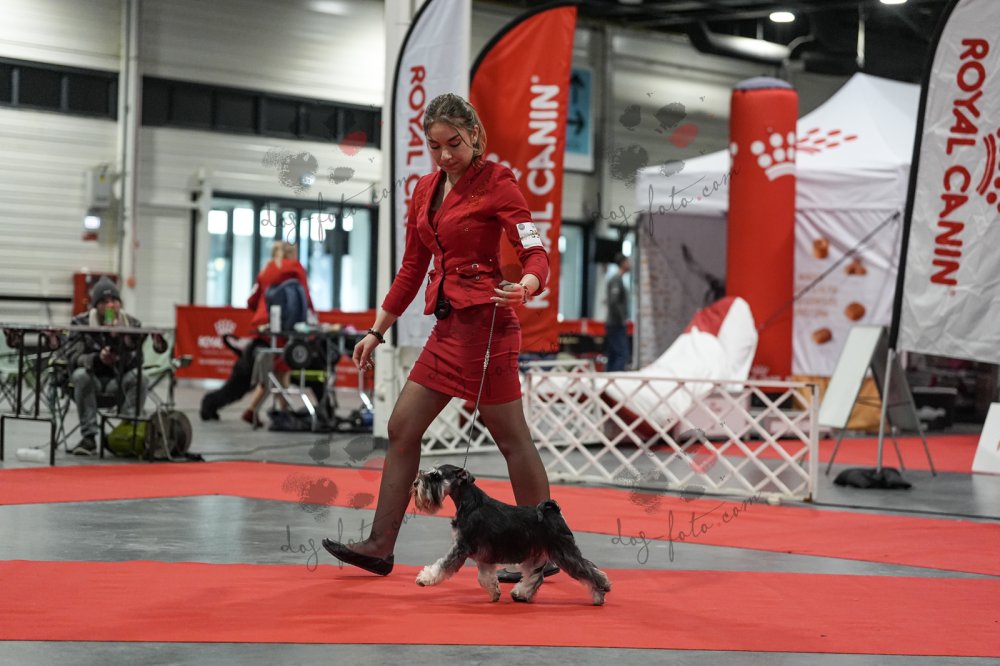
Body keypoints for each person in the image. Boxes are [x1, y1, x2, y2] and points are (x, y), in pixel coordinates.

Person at [321, 93, 555, 582]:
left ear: (475, 137)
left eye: (454, 144)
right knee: (402, 428)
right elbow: (412, 268)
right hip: (447, 330)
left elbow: (535, 252)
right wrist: (377, 330)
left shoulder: (499, 182)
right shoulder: (424, 189)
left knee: (512, 440)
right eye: (435, 145)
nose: (445, 155)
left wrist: (528, 285)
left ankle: (542, 552)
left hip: (489, 328)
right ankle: (380, 545)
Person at [64, 276, 148, 455]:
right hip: (92, 380)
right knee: (80, 375)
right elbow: (73, 357)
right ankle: (89, 438)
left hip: (118, 381)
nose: (111, 305)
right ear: (96, 305)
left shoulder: (132, 324)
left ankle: (127, 432)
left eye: (114, 301)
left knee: (142, 377)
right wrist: (97, 359)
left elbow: (139, 361)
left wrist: (122, 343)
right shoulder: (80, 323)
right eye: (104, 301)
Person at [243, 241, 314, 427]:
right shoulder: (296, 268)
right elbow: (305, 296)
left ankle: (266, 410)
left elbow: (251, 300)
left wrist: (261, 313)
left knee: (275, 369)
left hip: (263, 326)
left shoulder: (265, 270)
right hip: (284, 325)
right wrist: (312, 318)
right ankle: (275, 411)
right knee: (283, 368)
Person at [604, 252, 631, 372]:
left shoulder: (618, 279)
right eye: (628, 262)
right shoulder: (616, 280)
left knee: (613, 354)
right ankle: (616, 379)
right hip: (615, 323)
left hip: (614, 322)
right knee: (621, 353)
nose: (630, 264)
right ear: (623, 263)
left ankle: (608, 378)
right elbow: (614, 302)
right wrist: (622, 318)